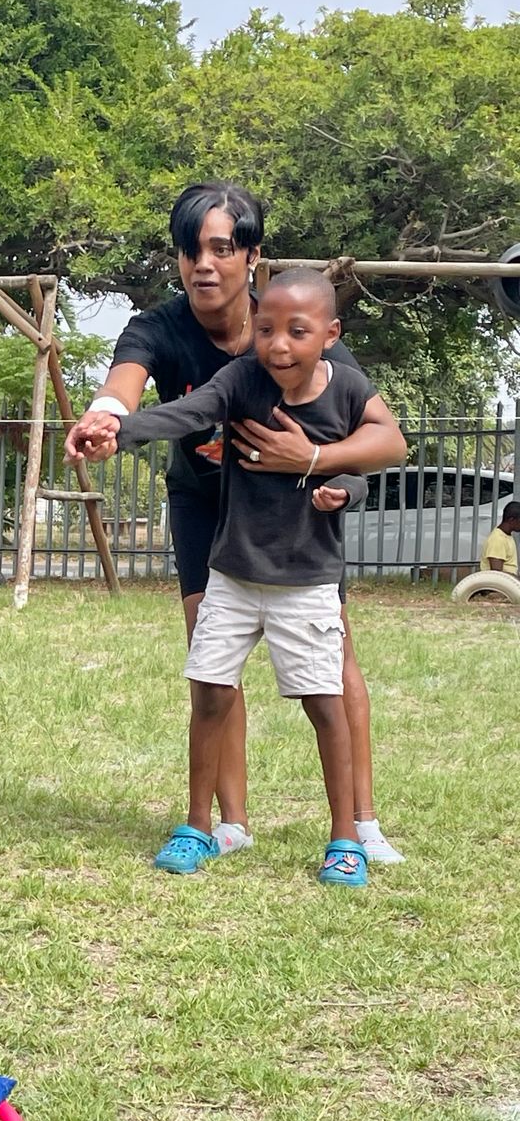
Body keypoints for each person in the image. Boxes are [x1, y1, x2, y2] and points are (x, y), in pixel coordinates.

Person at [65, 182, 407, 862]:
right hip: (204, 502)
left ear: (251, 256)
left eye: (222, 248)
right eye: (192, 250)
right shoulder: (159, 327)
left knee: (334, 659)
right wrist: (107, 417)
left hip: (291, 508)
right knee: (212, 660)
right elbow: (124, 382)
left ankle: (361, 826)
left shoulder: (291, 320)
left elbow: (384, 436)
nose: (205, 265)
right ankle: (229, 823)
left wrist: (311, 458)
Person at [107, 269, 388, 885]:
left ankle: (346, 839)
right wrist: (120, 428)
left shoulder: (347, 390)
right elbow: (189, 410)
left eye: (297, 332)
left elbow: (378, 456)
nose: (278, 344)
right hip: (233, 572)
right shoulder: (240, 379)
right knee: (209, 692)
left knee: (324, 705)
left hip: (306, 578)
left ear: (330, 335)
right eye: (266, 330)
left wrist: (334, 480)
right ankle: (197, 827)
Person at [480, 499, 520, 576]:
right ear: (511, 520)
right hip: (501, 586)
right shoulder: (497, 539)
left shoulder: (506, 536)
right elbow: (497, 574)